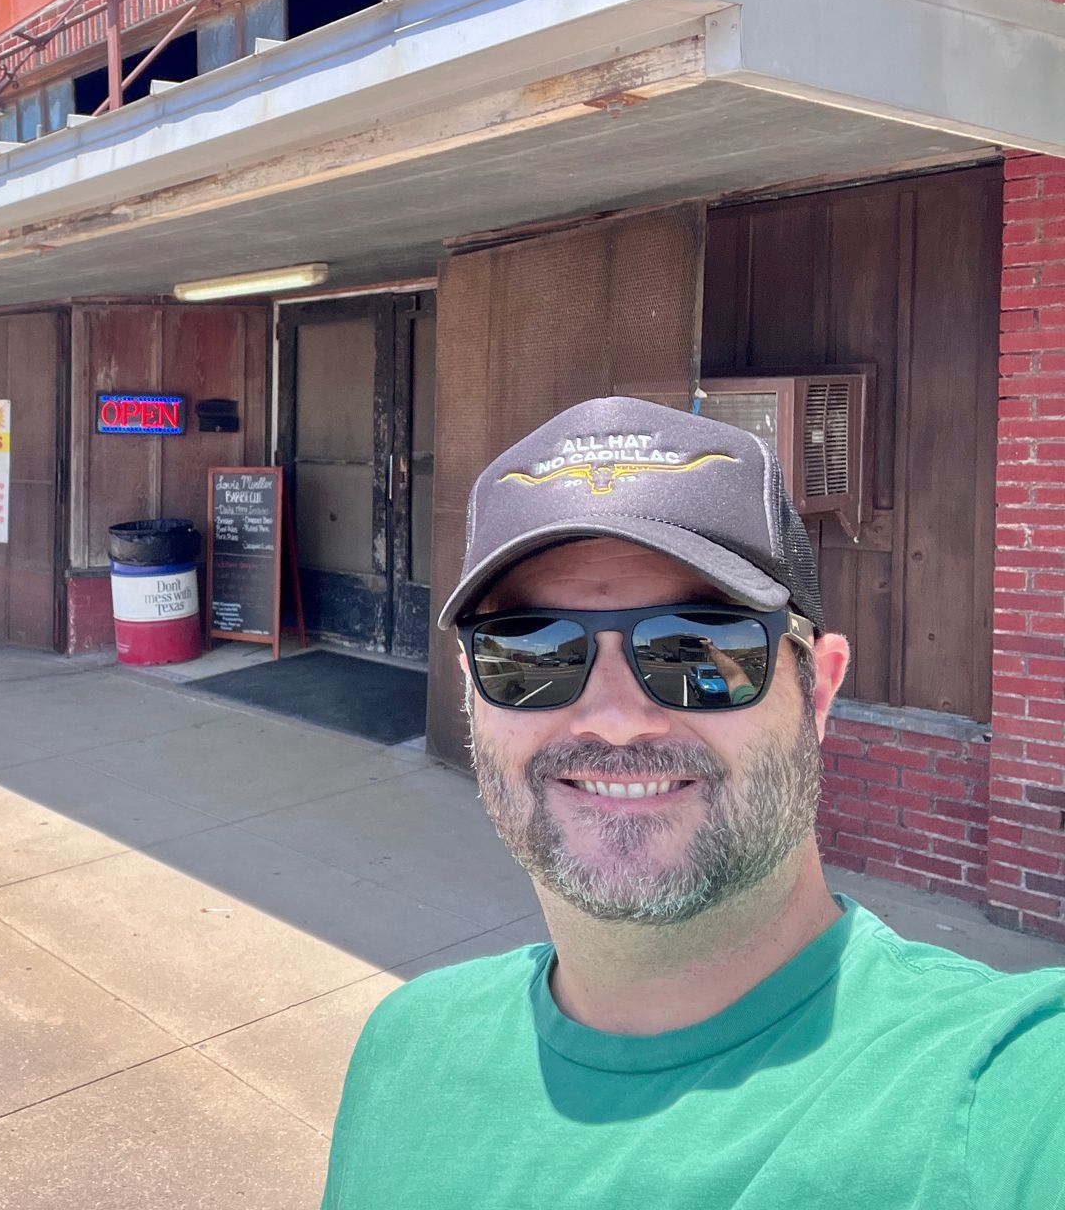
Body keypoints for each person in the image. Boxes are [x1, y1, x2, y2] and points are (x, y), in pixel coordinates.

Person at [322, 396, 1065, 1209]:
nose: (612, 719)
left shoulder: (1000, 1090)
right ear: (473, 697)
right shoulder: (403, 1052)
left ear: (818, 689)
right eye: (530, 654)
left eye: (698, 651)